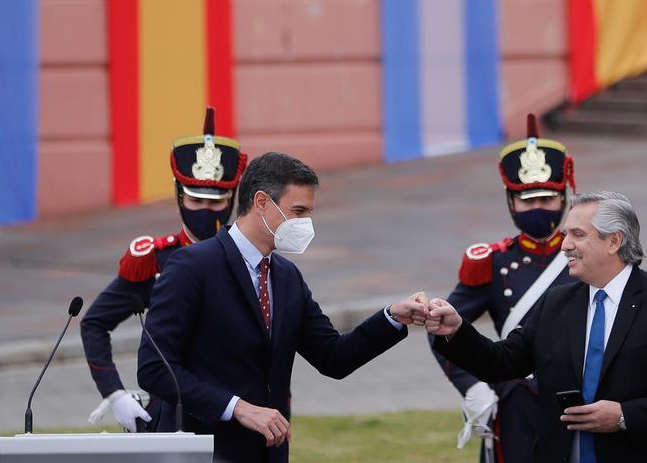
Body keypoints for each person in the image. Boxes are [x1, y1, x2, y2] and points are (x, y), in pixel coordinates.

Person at [138, 151, 429, 462]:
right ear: (262, 202)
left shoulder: (286, 276)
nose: (305, 224)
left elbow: (333, 357)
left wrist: (392, 318)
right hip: (204, 450)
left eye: (309, 213)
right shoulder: (193, 266)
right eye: (298, 211)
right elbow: (155, 369)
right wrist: (236, 407)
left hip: (269, 453)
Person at [428, 191, 647, 463]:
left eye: (578, 234)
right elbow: (501, 362)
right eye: (565, 234)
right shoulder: (557, 302)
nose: (565, 244)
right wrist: (456, 330)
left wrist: (624, 415)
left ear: (613, 241)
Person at [81, 106, 245, 432]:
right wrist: (115, 394)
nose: (206, 211)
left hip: (238, 411)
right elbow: (95, 323)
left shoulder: (248, 258)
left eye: (216, 202)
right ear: (179, 197)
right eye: (196, 201)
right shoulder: (155, 260)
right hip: (174, 414)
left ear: (232, 200)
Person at [431, 114, 578, 462]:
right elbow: (444, 328)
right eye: (527, 201)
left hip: (578, 395)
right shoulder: (493, 261)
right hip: (516, 399)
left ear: (563, 199)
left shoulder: (583, 254)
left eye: (547, 199)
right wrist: (473, 387)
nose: (538, 208)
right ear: (511, 203)